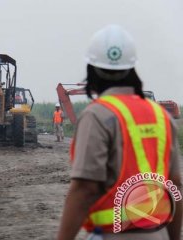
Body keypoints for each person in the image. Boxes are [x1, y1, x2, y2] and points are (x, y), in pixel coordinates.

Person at [57, 25, 182, 240]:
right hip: (158, 233)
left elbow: (85, 189)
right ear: (132, 69)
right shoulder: (162, 116)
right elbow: (175, 185)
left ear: (92, 69)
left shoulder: (97, 116)